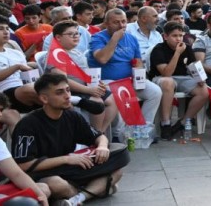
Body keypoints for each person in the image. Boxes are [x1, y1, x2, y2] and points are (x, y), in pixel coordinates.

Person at [12, 74, 126, 205]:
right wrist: (67, 159)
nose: (67, 96)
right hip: (44, 174)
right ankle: (98, 190)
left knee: (117, 170)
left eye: (68, 90)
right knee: (56, 184)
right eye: (60, 92)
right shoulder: (28, 124)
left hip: (71, 170)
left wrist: (102, 146)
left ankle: (77, 198)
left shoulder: (72, 116)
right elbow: (24, 165)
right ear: (44, 98)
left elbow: (99, 136)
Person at [87, 9, 162, 128]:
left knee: (155, 91)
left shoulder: (131, 39)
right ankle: (120, 133)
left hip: (129, 80)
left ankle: (143, 128)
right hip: (107, 82)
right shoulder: (97, 38)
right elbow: (102, 59)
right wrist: (114, 40)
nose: (121, 25)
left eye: (123, 22)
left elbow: (138, 62)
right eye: (116, 22)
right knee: (121, 94)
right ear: (106, 24)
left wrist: (139, 76)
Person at [149, 22, 209, 139]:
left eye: (180, 36)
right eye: (174, 36)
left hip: (183, 78)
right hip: (161, 78)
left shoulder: (186, 47)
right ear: (165, 36)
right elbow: (166, 73)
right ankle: (165, 123)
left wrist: (200, 78)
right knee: (168, 82)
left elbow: (194, 66)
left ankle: (183, 123)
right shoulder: (158, 49)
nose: (178, 39)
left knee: (204, 91)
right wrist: (177, 53)